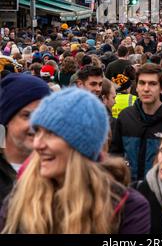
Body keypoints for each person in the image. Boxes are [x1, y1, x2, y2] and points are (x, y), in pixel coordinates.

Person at [0, 87, 151, 234]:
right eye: (37, 131)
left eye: (51, 134)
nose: (37, 144)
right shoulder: (21, 195)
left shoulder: (128, 207)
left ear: (81, 146)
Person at [110, 64, 162, 181]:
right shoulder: (126, 117)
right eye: (142, 83)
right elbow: (115, 154)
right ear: (136, 87)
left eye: (152, 84)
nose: (146, 89)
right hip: (130, 190)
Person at [0, 74, 50, 205]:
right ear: (6, 119)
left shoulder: (59, 170)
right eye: (27, 116)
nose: (36, 124)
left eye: (43, 115)